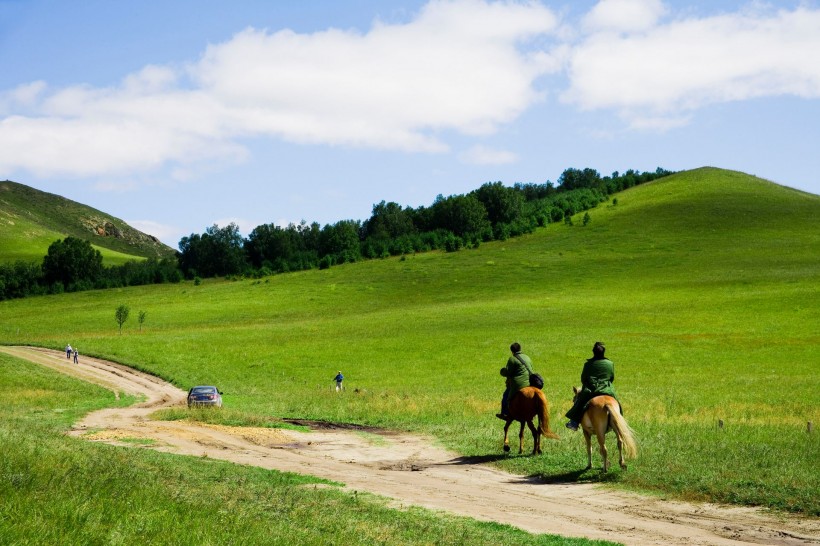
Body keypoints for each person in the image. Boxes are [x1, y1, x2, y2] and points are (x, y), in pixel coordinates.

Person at [565, 341, 619, 431]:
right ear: (603, 352)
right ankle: (619, 420)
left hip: (591, 390)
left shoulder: (588, 364)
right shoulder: (610, 364)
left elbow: (583, 379)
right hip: (607, 389)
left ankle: (573, 423)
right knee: (617, 403)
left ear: (593, 352)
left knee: (579, 403)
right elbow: (611, 377)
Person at [496, 342, 534, 420]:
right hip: (530, 382)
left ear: (511, 350)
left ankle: (505, 413)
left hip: (519, 384)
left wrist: (502, 371)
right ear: (520, 349)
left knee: (506, 396)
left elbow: (509, 373)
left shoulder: (512, 359)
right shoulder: (527, 357)